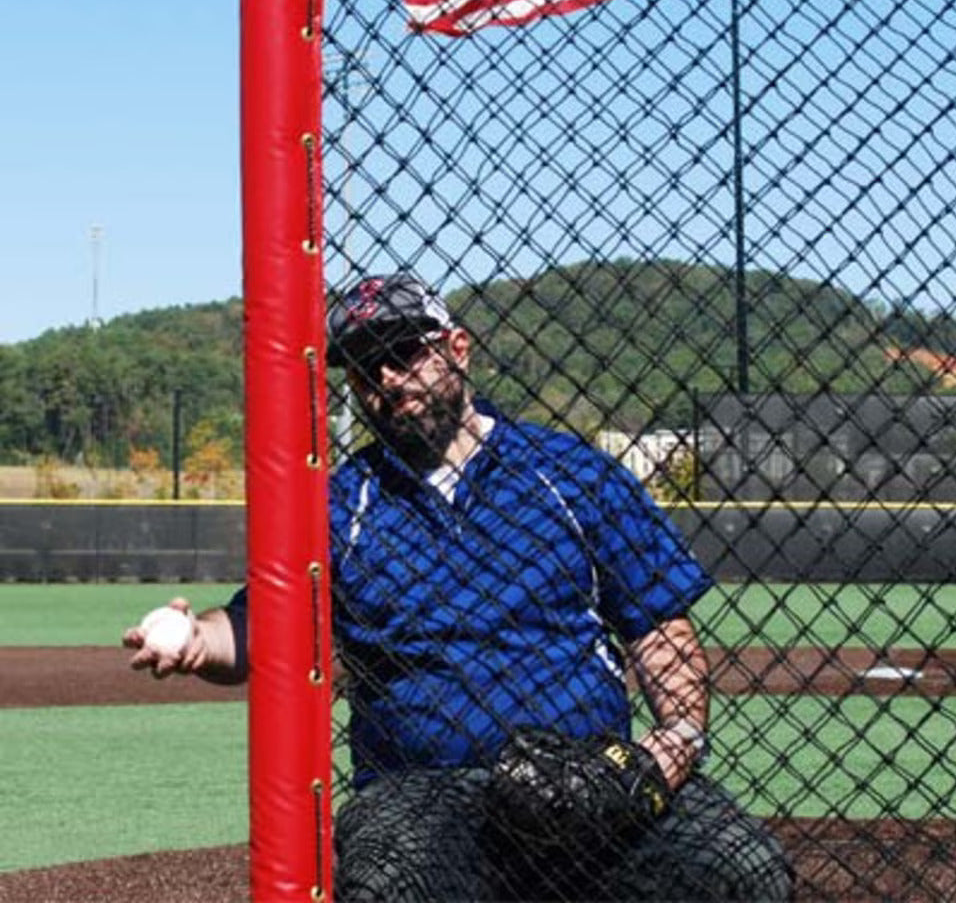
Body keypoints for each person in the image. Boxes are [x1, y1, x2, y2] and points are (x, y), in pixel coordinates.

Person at [124, 271, 794, 902]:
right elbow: (260, 627)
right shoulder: (339, 506)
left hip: (589, 775)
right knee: (386, 883)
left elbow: (657, 627)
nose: (387, 377)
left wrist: (677, 739)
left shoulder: (571, 474)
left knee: (745, 870)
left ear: (458, 349)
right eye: (365, 367)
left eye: (404, 352)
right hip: (425, 798)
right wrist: (196, 638)